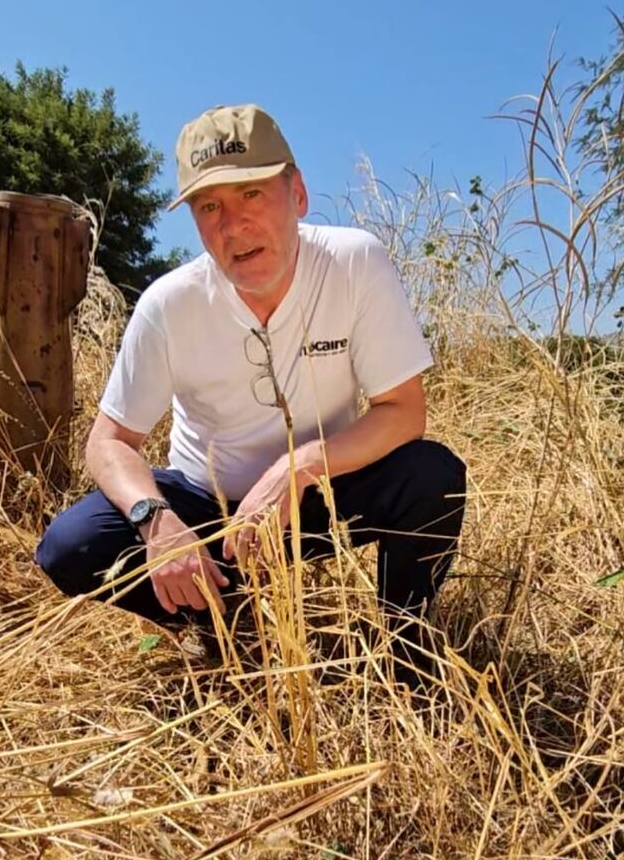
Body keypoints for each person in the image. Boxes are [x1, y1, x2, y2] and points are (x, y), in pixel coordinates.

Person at [35, 103, 466, 686]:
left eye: (252, 195)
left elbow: (403, 412)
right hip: (206, 510)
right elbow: (110, 441)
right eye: (209, 207)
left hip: (317, 497)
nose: (233, 226)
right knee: (71, 545)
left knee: (431, 474)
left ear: (298, 195)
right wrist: (156, 521)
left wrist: (301, 466)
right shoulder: (170, 304)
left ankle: (403, 647)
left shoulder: (354, 263)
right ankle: (222, 621)